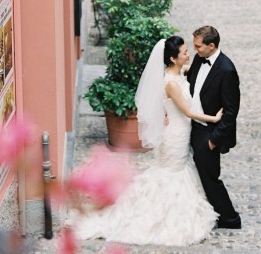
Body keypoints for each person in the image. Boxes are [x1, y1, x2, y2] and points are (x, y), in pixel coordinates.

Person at [72, 35, 221, 246]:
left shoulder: (177, 73)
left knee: (173, 170)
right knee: (171, 172)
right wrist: (214, 118)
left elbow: (186, 78)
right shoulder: (171, 84)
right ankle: (164, 216)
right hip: (175, 135)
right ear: (172, 58)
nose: (189, 54)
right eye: (185, 52)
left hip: (177, 130)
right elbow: (188, 111)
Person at [187, 25, 242, 230]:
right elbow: (190, 81)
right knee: (197, 174)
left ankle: (230, 219)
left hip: (208, 133)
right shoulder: (199, 58)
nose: (195, 49)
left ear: (211, 46)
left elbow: (231, 110)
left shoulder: (227, 70)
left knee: (210, 178)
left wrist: (214, 140)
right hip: (193, 126)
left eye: (198, 46)